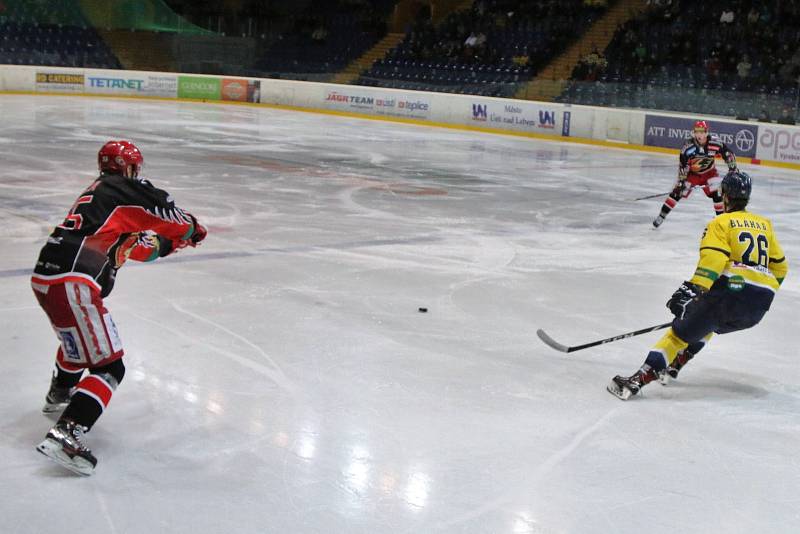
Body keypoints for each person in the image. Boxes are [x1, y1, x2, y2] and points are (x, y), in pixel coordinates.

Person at [32, 140, 208, 475]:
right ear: (126, 168)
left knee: (77, 345)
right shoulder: (122, 189)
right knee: (110, 367)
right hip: (74, 281)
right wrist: (193, 230)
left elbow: (142, 246)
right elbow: (167, 213)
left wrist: (173, 244)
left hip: (47, 278)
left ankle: (60, 391)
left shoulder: (103, 202)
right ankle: (67, 432)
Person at [609, 170, 788, 400]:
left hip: (728, 297)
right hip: (758, 307)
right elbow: (780, 268)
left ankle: (636, 381)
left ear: (725, 195)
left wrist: (694, 290)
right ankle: (676, 363)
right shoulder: (765, 225)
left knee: (678, 333)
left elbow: (714, 260)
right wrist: (760, 292)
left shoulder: (721, 222)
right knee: (709, 323)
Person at [652, 120, 738, 228]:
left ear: (706, 132)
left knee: (718, 194)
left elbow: (727, 154)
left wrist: (733, 168)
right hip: (692, 175)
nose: (699, 135)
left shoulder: (715, 143)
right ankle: (661, 216)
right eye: (697, 132)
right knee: (676, 193)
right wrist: (681, 181)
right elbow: (683, 165)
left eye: (702, 132)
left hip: (709, 173)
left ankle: (721, 222)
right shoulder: (688, 147)